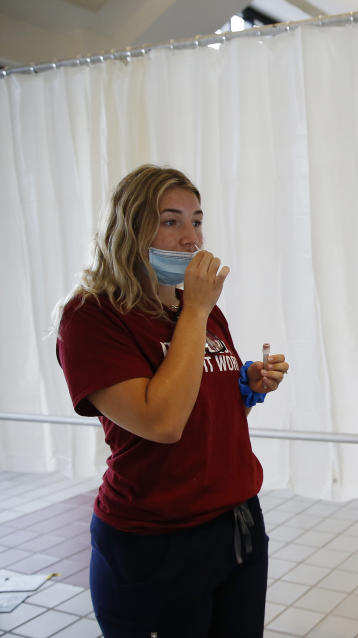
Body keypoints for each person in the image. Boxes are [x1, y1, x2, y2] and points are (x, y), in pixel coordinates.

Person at [55, 164, 289, 637]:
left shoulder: (197, 310)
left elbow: (208, 412)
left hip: (237, 523)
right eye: (170, 220)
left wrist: (246, 389)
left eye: (197, 221)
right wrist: (198, 309)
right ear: (130, 228)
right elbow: (162, 423)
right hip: (156, 539)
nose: (190, 238)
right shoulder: (92, 316)